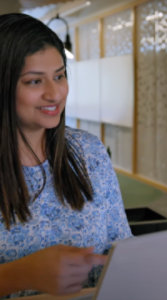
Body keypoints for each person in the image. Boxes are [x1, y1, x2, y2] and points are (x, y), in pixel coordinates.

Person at [0, 13, 132, 298]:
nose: (55, 93)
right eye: (35, 82)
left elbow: (120, 246)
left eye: (59, 76)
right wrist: (19, 274)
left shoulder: (89, 152)